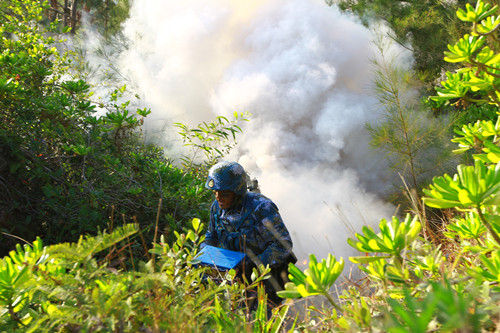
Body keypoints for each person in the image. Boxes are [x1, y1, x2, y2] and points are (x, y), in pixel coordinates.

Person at [203, 161, 296, 309]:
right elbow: (211, 236)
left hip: (263, 278)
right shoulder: (217, 208)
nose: (218, 198)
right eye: (215, 193)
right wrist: (204, 254)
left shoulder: (261, 207)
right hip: (233, 275)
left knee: (260, 320)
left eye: (224, 194)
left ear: (237, 191)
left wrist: (252, 265)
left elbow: (283, 244)